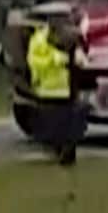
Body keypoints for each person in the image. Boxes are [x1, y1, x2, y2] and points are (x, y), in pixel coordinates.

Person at [26, 13, 84, 166]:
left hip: (68, 90)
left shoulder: (72, 36)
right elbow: (35, 61)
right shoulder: (39, 39)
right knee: (54, 127)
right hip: (49, 90)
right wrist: (55, 59)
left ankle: (68, 154)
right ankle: (59, 152)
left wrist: (79, 55)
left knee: (70, 126)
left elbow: (80, 56)